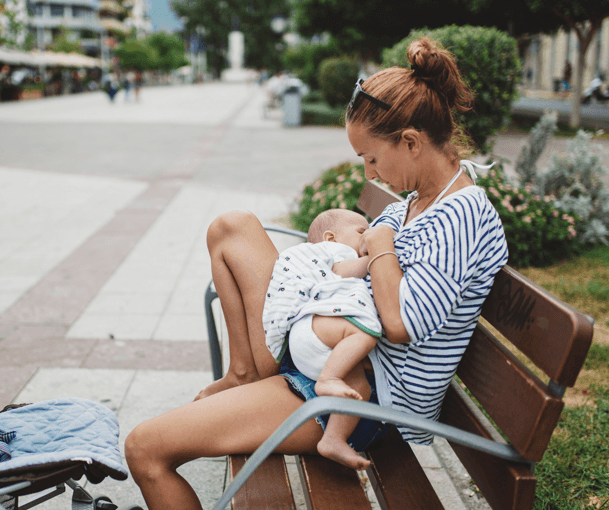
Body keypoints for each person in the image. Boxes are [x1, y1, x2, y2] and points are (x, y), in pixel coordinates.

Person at [124, 36, 509, 510]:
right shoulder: (414, 202)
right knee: (233, 228)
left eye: (371, 158)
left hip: (359, 397)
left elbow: (400, 324)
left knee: (145, 450)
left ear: (410, 142)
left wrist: (381, 245)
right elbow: (359, 256)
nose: (370, 176)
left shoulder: (461, 214)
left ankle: (251, 377)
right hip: (325, 345)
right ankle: (244, 372)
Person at [263, 209, 381, 469]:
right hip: (315, 332)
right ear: (330, 237)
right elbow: (342, 270)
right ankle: (328, 379)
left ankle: (334, 439)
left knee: (360, 389)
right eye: (361, 231)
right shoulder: (335, 251)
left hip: (321, 351)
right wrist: (377, 257)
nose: (367, 236)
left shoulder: (333, 248)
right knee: (362, 333)